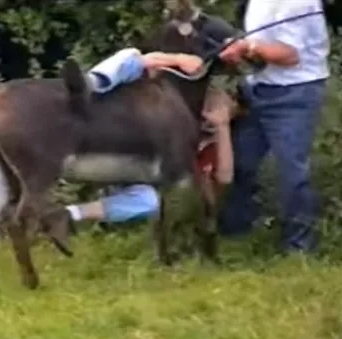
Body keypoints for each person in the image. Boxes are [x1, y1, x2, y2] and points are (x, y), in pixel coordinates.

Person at [46, 48, 237, 247]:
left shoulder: (213, 140)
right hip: (125, 130)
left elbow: (224, 177)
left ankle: (68, 214)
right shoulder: (178, 98)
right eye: (218, 95)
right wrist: (177, 58)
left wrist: (222, 127)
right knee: (132, 55)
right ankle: (92, 82)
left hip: (139, 169)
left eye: (227, 101)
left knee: (148, 202)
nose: (218, 101)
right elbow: (145, 60)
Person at [216, 0, 330, 252]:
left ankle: (299, 247)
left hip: (295, 93)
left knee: (292, 171)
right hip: (257, 88)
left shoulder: (297, 3)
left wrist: (248, 46)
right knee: (242, 162)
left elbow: (290, 55)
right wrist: (238, 49)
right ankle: (237, 233)